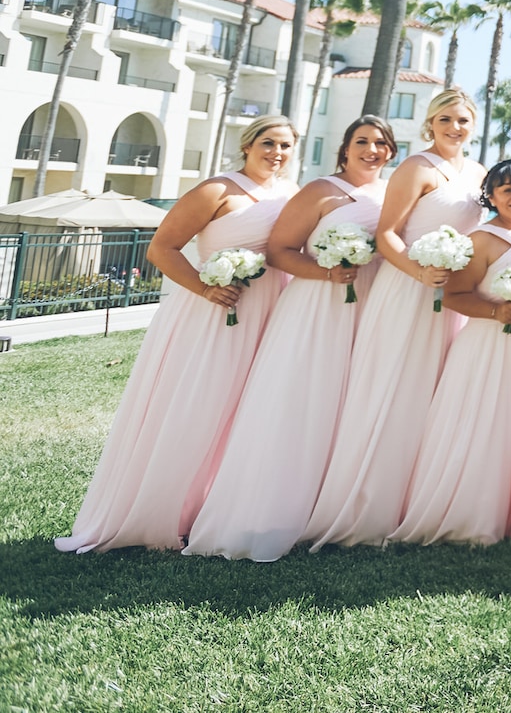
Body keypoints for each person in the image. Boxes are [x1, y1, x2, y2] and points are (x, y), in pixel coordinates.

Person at [57, 116, 300, 554]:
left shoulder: (290, 195)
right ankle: (165, 512)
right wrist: (206, 287)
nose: (276, 153)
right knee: (198, 406)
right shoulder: (216, 190)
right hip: (212, 313)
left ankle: (221, 508)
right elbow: (160, 248)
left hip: (271, 312)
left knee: (247, 411)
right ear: (248, 145)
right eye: (268, 143)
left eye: (285, 145)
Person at [185, 116, 396, 561]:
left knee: (351, 405)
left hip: (372, 307)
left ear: (392, 151)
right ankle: (268, 511)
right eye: (361, 141)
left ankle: (335, 504)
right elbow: (281, 250)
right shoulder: (319, 190)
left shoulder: (392, 194)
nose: (371, 150)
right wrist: (327, 272)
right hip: (317, 307)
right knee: (301, 401)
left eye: (380, 143)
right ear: (344, 148)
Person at [307, 88, 486, 549]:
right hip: (409, 289)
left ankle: (422, 497)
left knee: (437, 391)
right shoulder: (415, 168)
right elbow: (387, 234)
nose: (454, 127)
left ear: (473, 125)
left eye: (463, 120)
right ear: (431, 123)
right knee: (392, 386)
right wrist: (420, 272)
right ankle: (367, 504)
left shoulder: (480, 173)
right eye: (445, 119)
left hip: (455, 295)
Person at [391, 159, 511, 546]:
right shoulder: (479, 239)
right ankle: (469, 513)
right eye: (508, 190)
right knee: (485, 421)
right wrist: (496, 310)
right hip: (489, 345)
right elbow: (454, 297)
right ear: (491, 196)